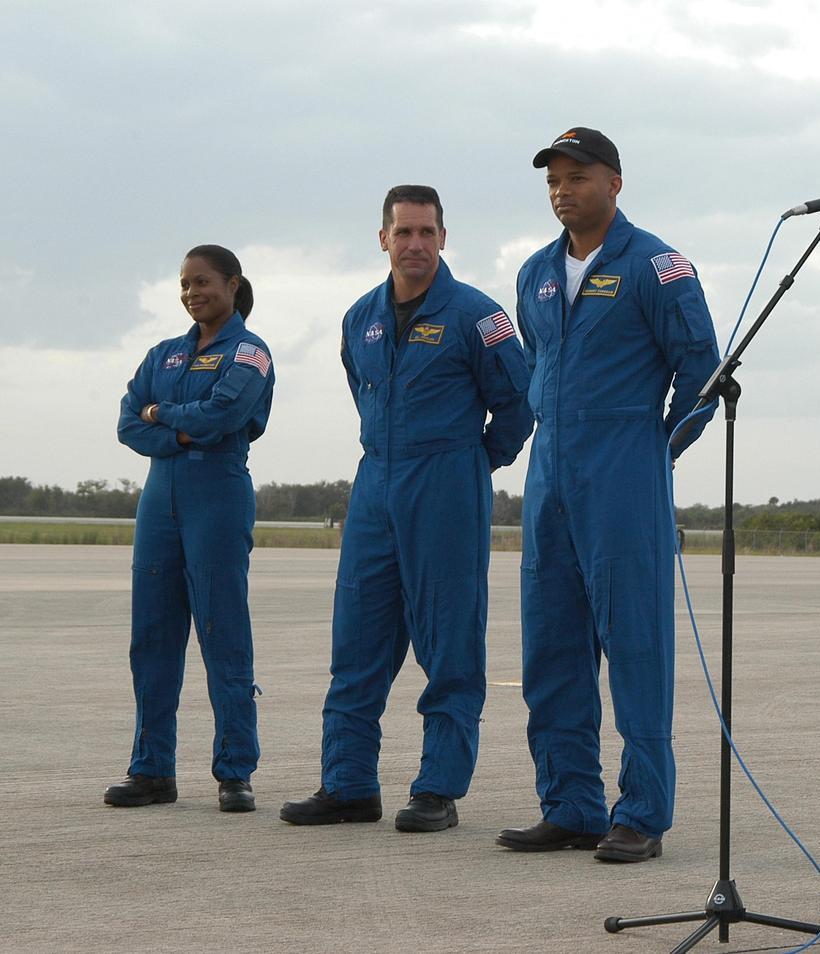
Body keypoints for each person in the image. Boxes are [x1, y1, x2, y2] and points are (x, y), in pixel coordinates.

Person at [496, 128, 720, 863]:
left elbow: (702, 375)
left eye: (579, 176)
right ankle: (570, 805)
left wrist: (656, 449)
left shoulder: (656, 266)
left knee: (636, 646)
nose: (564, 189)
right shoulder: (534, 274)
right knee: (553, 650)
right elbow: (536, 370)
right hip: (551, 473)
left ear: (615, 183)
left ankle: (643, 812)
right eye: (554, 179)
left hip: (624, 467)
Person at [281, 186, 534, 832]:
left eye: (427, 232)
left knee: (449, 641)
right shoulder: (358, 318)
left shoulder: (478, 316)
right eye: (404, 233)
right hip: (375, 485)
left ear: (444, 238)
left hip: (447, 483)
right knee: (356, 639)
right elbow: (360, 389)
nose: (415, 244)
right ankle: (348, 783)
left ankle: (437, 789)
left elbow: (518, 404)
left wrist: (474, 463)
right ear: (383, 239)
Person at [108, 245, 274, 814]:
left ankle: (235, 772)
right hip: (160, 499)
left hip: (218, 497)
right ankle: (152, 770)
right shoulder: (164, 355)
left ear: (232, 285)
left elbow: (226, 416)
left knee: (223, 634)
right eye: (185, 284)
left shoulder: (249, 351)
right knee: (151, 639)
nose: (191, 293)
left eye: (202, 282)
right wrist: (176, 430)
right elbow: (129, 422)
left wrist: (165, 416)